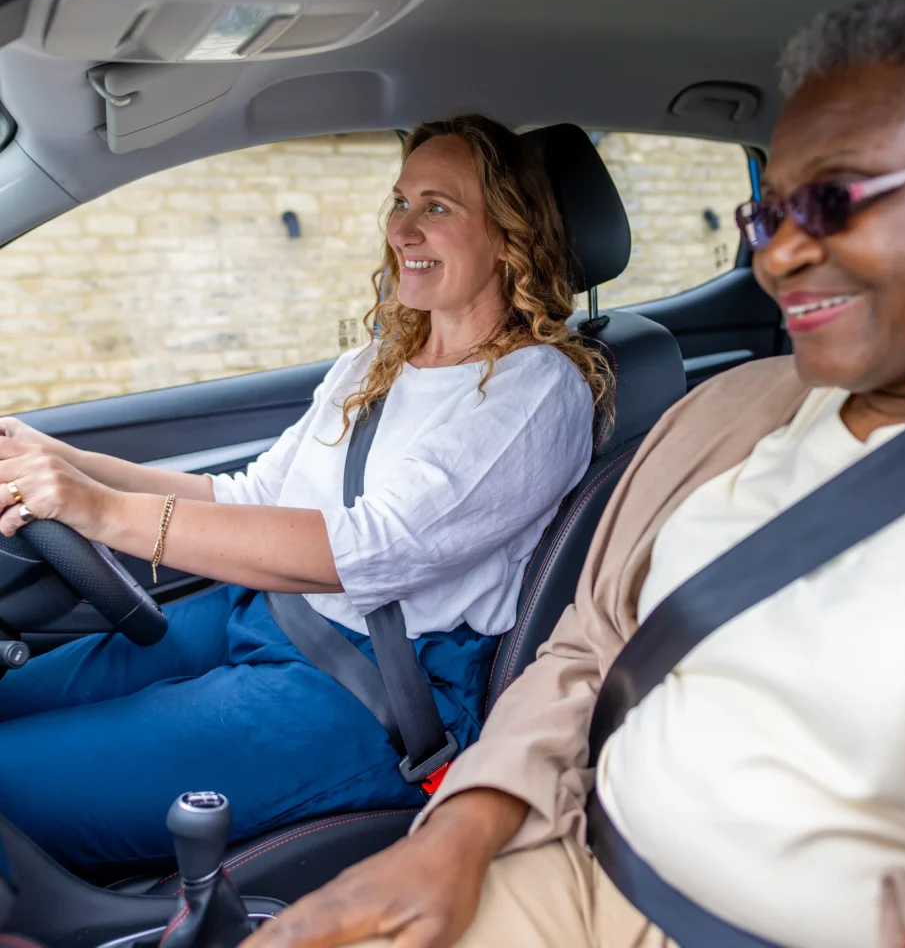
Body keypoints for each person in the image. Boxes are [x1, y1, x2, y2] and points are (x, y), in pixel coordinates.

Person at [240, 0, 905, 948]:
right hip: (564, 859)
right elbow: (585, 648)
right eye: (766, 217)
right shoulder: (727, 413)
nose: (780, 259)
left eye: (834, 200)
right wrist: (459, 833)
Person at [0, 114, 610, 873]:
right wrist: (67, 462)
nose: (402, 231)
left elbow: (370, 550)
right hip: (264, 614)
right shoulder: (374, 363)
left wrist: (99, 510)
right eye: (400, 202)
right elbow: (252, 494)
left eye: (438, 207)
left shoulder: (536, 389)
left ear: (509, 234)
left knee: (10, 785)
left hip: (374, 687)